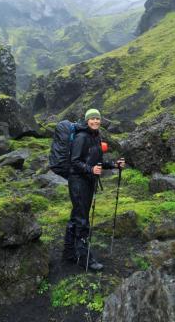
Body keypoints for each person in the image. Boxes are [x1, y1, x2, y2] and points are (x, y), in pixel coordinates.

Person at [62, 108, 125, 271]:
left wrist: (114, 165)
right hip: (78, 182)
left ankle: (69, 252)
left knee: (77, 215)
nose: (96, 121)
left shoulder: (96, 137)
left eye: (98, 118)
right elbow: (74, 161)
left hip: (88, 181)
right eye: (92, 119)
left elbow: (97, 162)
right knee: (82, 219)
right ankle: (85, 258)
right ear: (86, 120)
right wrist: (90, 170)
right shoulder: (81, 137)